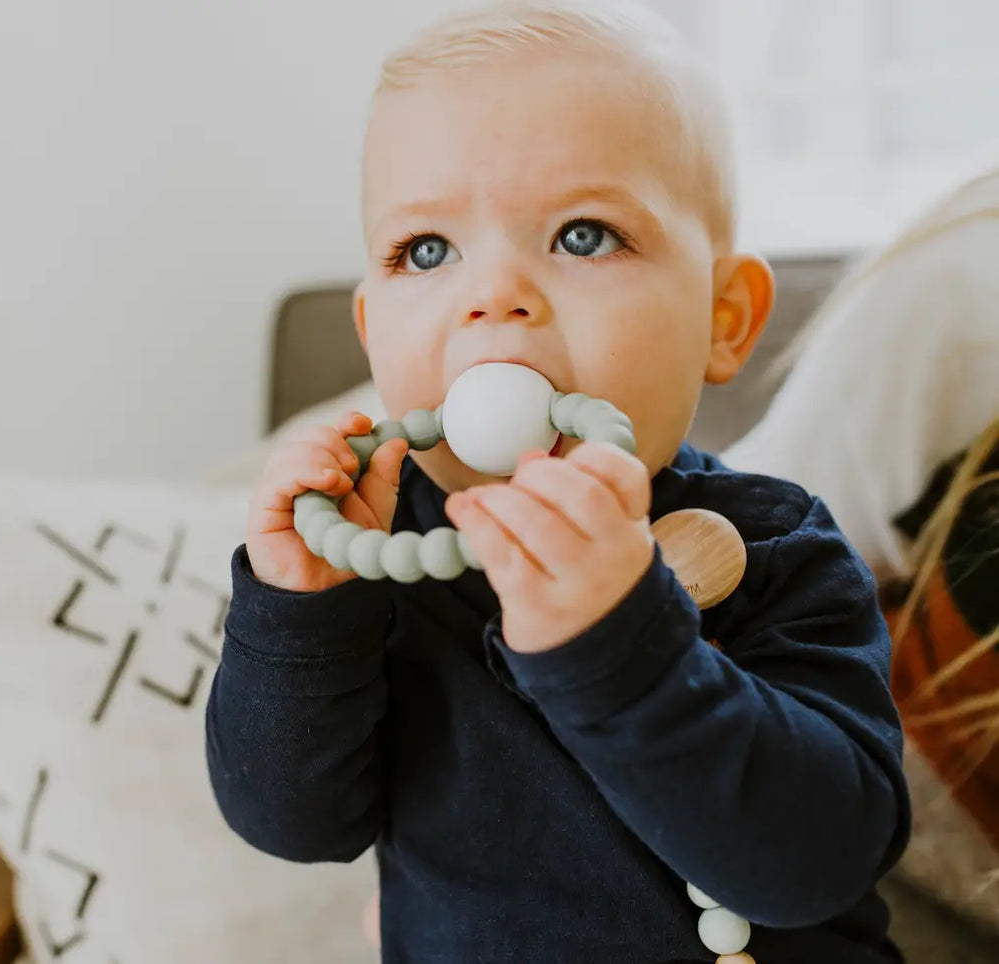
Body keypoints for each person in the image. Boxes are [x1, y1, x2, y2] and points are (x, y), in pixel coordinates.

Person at [204, 2, 910, 961]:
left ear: (722, 318)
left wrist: (620, 647)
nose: (493, 296)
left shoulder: (773, 549)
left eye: (582, 236)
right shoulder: (378, 568)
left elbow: (819, 862)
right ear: (375, 337)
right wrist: (296, 621)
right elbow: (294, 827)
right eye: (426, 251)